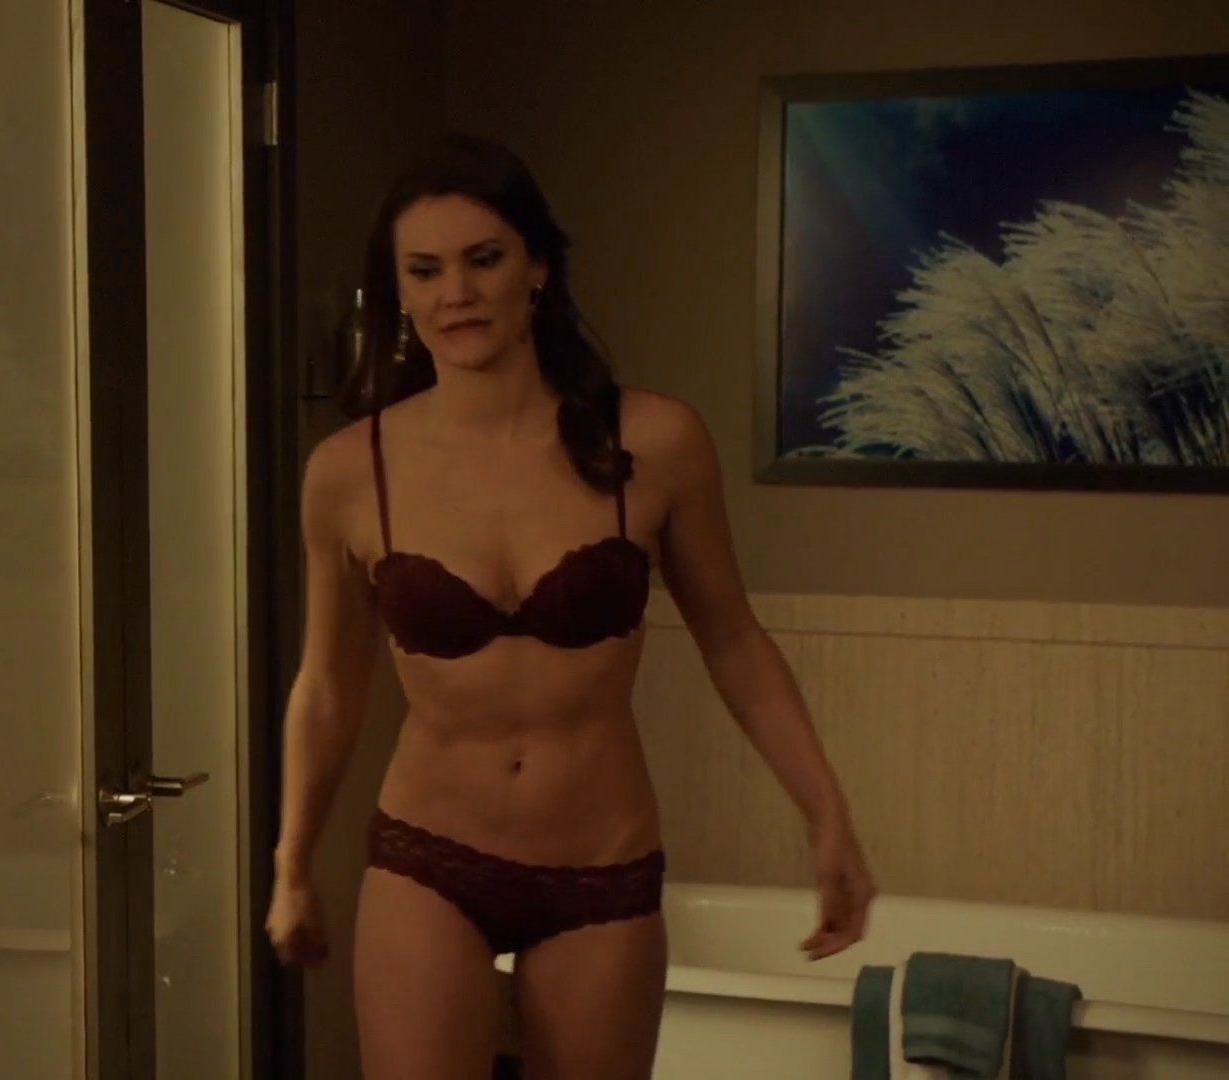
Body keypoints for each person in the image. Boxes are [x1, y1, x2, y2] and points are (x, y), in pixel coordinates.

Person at [265, 134, 876, 1079]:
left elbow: (735, 643)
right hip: (430, 859)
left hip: (602, 869)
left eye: (484, 259)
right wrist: (292, 863)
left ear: (538, 267)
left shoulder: (657, 442)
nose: (456, 293)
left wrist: (825, 811)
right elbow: (328, 686)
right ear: (399, 291)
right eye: (424, 271)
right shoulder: (349, 472)